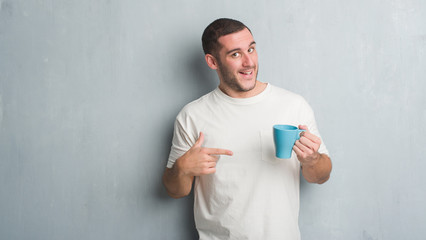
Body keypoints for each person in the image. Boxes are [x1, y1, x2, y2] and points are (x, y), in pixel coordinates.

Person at [162, 18, 332, 240]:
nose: (249, 62)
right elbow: (176, 190)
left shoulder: (293, 105)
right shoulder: (192, 115)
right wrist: (182, 168)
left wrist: (313, 160)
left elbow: (321, 176)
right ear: (212, 62)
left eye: (251, 49)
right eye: (235, 54)